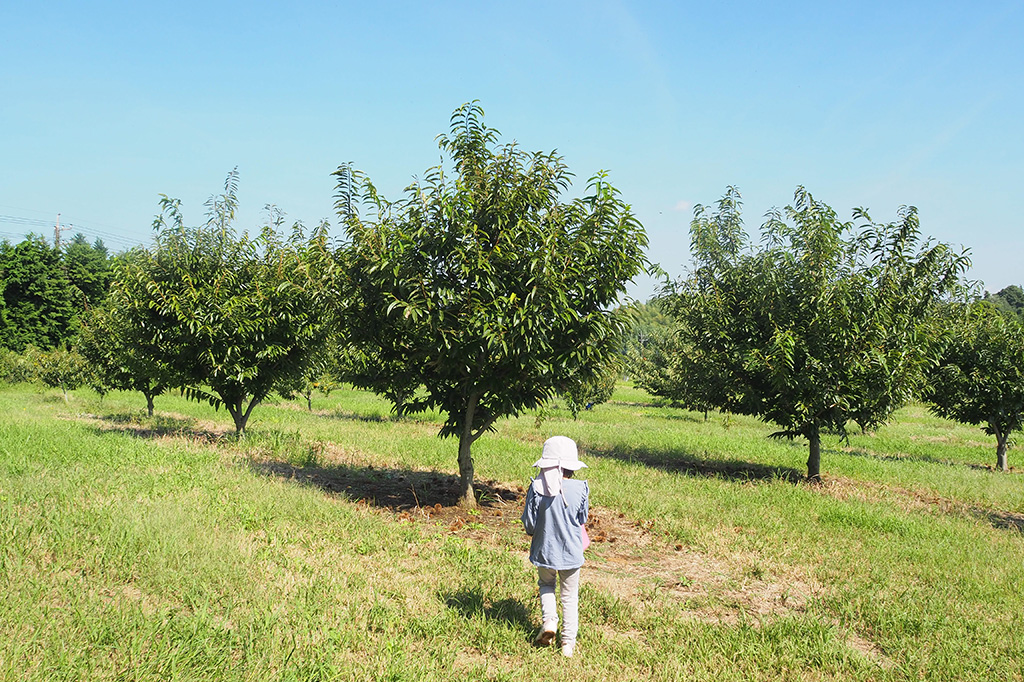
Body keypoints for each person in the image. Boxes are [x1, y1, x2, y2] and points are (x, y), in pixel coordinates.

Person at [521, 435, 590, 658]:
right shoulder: (581, 488)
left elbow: (530, 524)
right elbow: (582, 518)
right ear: (572, 467)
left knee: (546, 585)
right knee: (570, 596)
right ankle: (568, 644)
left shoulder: (536, 489)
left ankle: (549, 621)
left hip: (544, 551)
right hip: (571, 552)